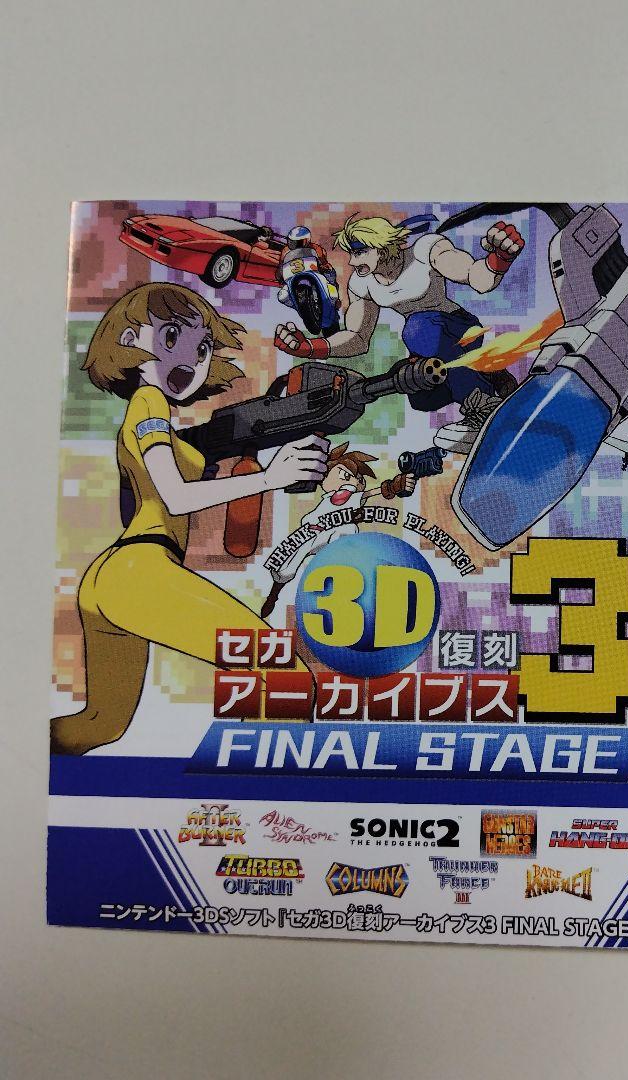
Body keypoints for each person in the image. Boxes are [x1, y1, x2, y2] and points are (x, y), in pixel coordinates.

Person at [50, 283, 329, 755]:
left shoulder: (165, 427)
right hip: (137, 573)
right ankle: (246, 794)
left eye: (203, 349)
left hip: (112, 578)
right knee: (286, 680)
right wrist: (271, 478)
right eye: (171, 336)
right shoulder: (149, 402)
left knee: (99, 727)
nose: (191, 359)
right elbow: (177, 497)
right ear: (129, 340)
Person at [274, 214, 525, 452]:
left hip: (459, 328)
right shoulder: (362, 283)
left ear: (383, 247)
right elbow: (357, 338)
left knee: (417, 328)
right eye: (351, 254)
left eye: (359, 252)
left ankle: (483, 406)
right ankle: (490, 374)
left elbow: (476, 277)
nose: (352, 262)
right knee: (421, 396)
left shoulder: (425, 251)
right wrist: (310, 347)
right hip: (426, 343)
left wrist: (500, 258)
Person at [260, 442, 415, 618]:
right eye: (342, 475)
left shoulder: (352, 496)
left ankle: (339, 590)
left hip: (334, 533)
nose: (348, 481)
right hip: (310, 532)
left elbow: (370, 493)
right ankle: (273, 596)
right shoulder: (327, 497)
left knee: (346, 533)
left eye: (354, 478)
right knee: (286, 566)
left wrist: (392, 487)